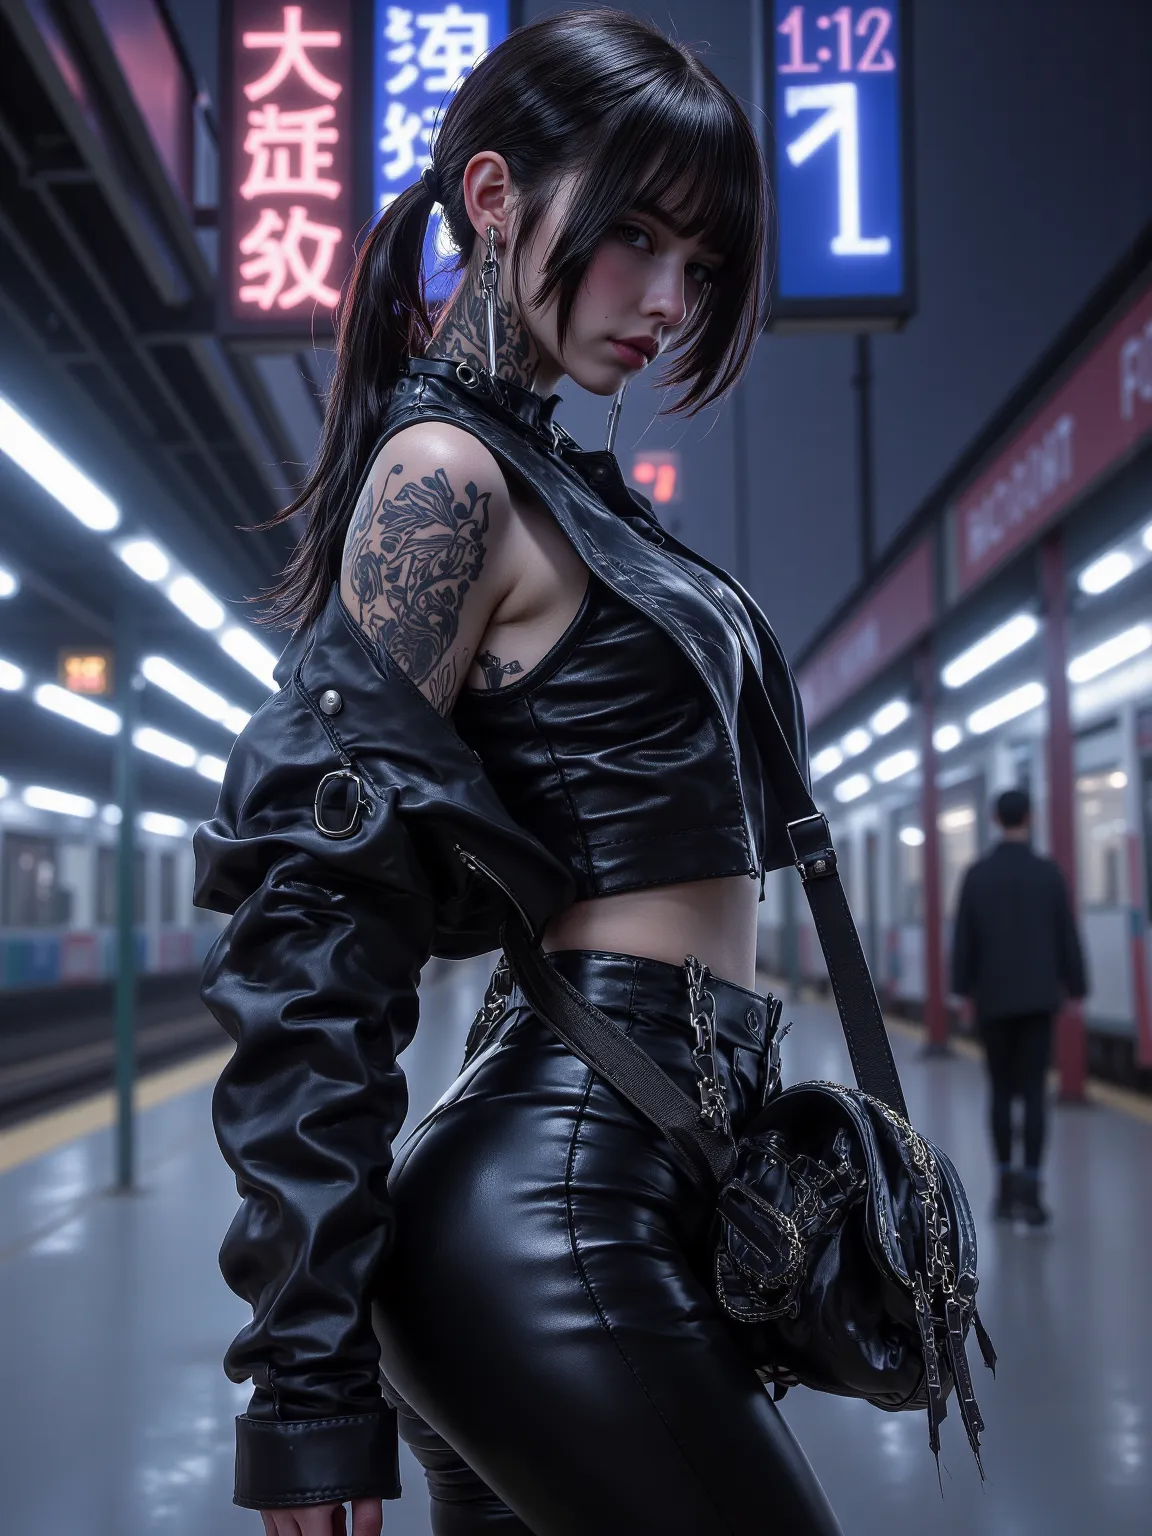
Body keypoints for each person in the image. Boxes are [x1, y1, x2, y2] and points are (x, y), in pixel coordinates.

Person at [194, 10, 842, 1534]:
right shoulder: (445, 480)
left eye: (699, 264)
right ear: (494, 199)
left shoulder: (541, 474)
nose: (670, 300)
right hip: (555, 1212)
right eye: (633, 237)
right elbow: (311, 916)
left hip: (629, 1172)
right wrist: (304, 1383)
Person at [951, 787, 1087, 1229]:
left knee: (999, 1092)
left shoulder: (977, 874)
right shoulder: (1049, 874)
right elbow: (1066, 933)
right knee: (1032, 1094)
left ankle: (1003, 1189)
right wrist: (1077, 984)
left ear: (994, 818)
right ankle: (1032, 1192)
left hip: (994, 999)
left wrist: (961, 988)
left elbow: (964, 939)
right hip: (1037, 1000)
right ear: (1030, 817)